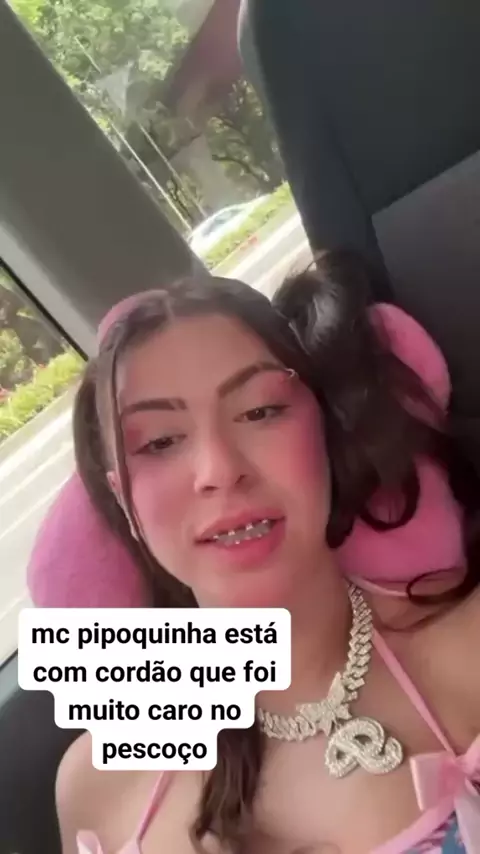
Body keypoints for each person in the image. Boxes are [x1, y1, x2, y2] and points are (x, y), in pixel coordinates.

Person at [56, 251, 480, 854]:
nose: (218, 470)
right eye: (160, 442)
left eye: (260, 411)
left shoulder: (466, 647)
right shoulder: (95, 785)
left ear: (324, 434)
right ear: (124, 500)